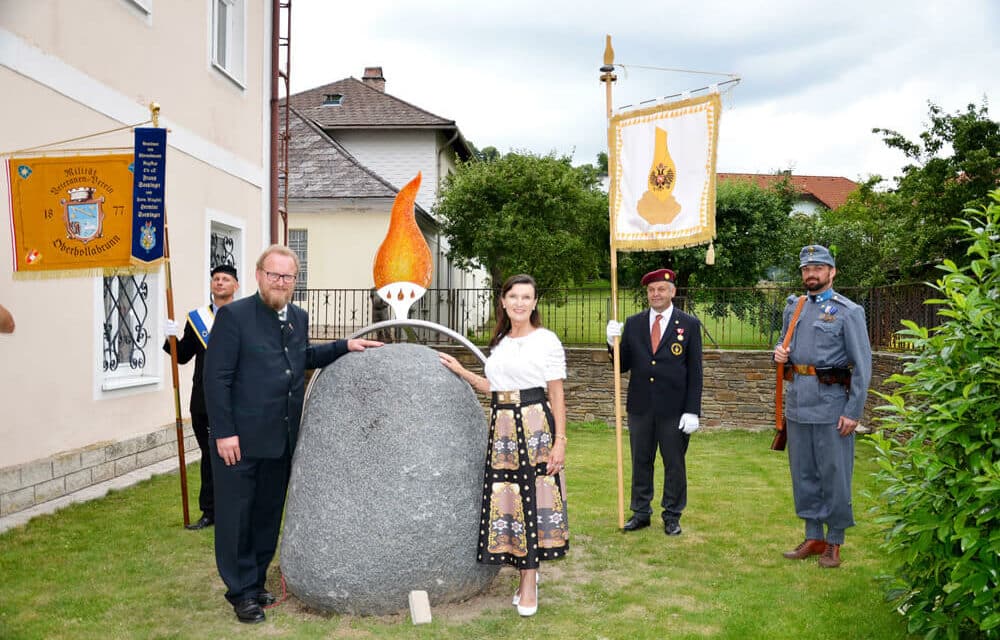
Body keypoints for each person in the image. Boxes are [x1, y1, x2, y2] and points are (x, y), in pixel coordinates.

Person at [203, 245, 382, 624]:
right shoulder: (234, 317)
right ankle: (241, 592)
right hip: (239, 441)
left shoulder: (297, 317)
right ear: (258, 275)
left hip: (281, 438)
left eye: (288, 277)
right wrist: (224, 433)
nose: (280, 282)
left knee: (267, 515)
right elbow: (215, 379)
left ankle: (256, 580)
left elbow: (300, 359)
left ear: (295, 281)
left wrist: (345, 346)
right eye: (274, 275)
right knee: (237, 517)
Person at [438, 274, 569, 618]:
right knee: (510, 502)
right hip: (504, 428)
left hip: (536, 424)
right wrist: (462, 371)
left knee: (532, 501)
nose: (520, 303)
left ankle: (529, 582)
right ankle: (526, 575)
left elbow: (556, 393)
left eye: (527, 297)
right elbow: (494, 388)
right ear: (504, 301)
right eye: (514, 296)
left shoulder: (546, 340)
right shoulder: (501, 341)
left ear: (535, 302)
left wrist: (560, 441)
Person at [773, 244, 872, 568]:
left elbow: (863, 365)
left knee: (835, 474)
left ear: (832, 272)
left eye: (818, 268)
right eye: (806, 269)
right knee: (804, 473)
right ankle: (813, 536)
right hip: (799, 403)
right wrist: (779, 354)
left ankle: (835, 542)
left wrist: (853, 411)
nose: (811, 274)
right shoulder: (795, 307)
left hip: (832, 406)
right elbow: (788, 347)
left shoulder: (848, 311)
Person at [606, 268, 703, 536]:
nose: (656, 294)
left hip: (674, 409)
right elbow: (622, 366)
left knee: (674, 464)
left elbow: (695, 372)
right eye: (651, 290)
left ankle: (672, 514)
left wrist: (692, 411)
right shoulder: (634, 323)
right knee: (641, 461)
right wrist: (612, 343)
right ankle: (640, 512)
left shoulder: (689, 325)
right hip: (641, 406)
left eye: (661, 289)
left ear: (672, 291)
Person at [162, 264, 240, 530]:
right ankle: (210, 512)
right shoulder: (197, 319)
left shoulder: (245, 317)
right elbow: (182, 356)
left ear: (235, 286)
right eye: (216, 279)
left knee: (234, 458)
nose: (219, 283)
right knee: (208, 457)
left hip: (236, 401)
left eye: (225, 279)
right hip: (203, 402)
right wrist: (170, 338)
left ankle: (235, 510)